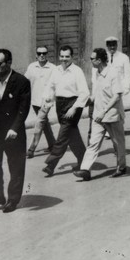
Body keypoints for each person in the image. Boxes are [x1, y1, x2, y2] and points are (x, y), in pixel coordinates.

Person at [0, 49, 31, 213]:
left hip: (13, 132)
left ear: (9, 63)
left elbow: (23, 109)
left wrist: (14, 128)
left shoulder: (21, 81)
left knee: (16, 166)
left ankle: (12, 200)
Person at [74, 48, 127, 181]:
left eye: (92, 58)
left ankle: (121, 167)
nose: (90, 61)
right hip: (98, 115)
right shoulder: (97, 73)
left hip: (112, 115)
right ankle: (85, 169)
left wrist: (104, 111)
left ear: (99, 60)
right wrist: (89, 100)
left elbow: (117, 96)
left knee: (117, 143)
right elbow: (98, 93)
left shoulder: (113, 73)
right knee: (93, 143)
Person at [41, 45, 90, 177]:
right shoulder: (56, 70)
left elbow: (84, 93)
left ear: (72, 57)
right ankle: (84, 161)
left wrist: (74, 108)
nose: (64, 59)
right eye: (62, 56)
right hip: (60, 104)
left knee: (62, 136)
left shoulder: (77, 71)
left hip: (73, 104)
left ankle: (51, 165)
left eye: (67, 56)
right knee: (71, 135)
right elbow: (50, 86)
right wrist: (48, 99)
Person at [25, 46, 56, 159]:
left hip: (46, 101)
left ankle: (31, 148)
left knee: (39, 122)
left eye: (44, 53)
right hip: (35, 100)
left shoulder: (53, 68)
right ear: (36, 55)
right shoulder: (31, 67)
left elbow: (55, 85)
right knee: (44, 122)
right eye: (39, 53)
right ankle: (53, 144)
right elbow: (25, 81)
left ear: (47, 54)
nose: (42, 55)